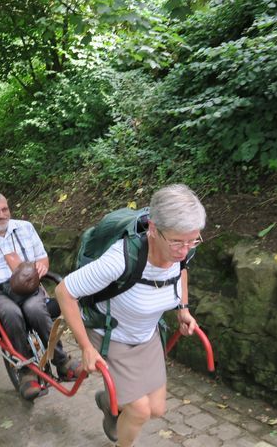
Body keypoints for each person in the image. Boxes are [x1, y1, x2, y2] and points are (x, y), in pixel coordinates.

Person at [55, 184, 206, 447]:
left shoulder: (182, 248)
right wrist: (86, 347)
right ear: (154, 230)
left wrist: (183, 308)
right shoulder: (121, 259)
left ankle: (110, 403)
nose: (185, 250)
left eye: (193, 241)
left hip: (146, 334)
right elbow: (64, 292)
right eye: (177, 242)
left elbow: (181, 269)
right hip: (110, 335)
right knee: (139, 411)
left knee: (157, 409)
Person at [0, 192, 82, 401]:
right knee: (11, 313)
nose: (2, 215)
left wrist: (42, 266)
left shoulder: (25, 228)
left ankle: (62, 362)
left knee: (35, 309)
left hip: (28, 285)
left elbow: (42, 258)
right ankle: (26, 372)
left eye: (5, 209)